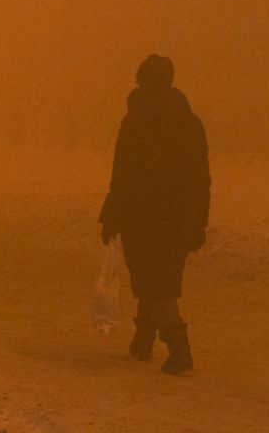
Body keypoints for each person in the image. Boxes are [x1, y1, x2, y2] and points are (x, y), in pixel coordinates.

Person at [99, 53, 210, 375]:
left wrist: (111, 214)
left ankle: (178, 346)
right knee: (160, 279)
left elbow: (123, 173)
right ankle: (143, 339)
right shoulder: (189, 122)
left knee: (152, 283)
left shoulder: (136, 120)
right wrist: (198, 219)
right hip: (179, 217)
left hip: (141, 215)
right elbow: (201, 177)